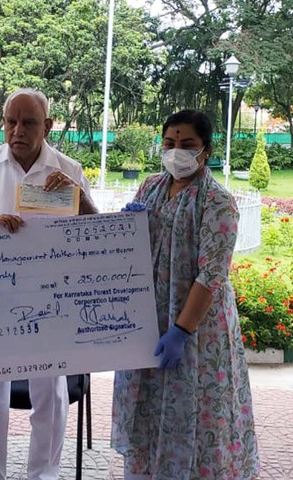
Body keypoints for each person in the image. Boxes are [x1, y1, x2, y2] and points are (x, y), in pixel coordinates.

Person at [0, 88, 97, 480]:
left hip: (50, 299)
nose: (18, 130)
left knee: (50, 390)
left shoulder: (68, 170)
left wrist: (78, 197)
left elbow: (94, 234)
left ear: (47, 126)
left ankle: (44, 473)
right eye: (11, 121)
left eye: (28, 122)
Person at [111, 110, 260, 480]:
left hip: (196, 330)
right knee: (148, 410)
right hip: (148, 321)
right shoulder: (150, 187)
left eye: (187, 144)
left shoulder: (218, 202)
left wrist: (181, 330)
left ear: (205, 150)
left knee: (196, 412)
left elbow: (211, 275)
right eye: (170, 143)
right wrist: (127, 226)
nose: (177, 151)